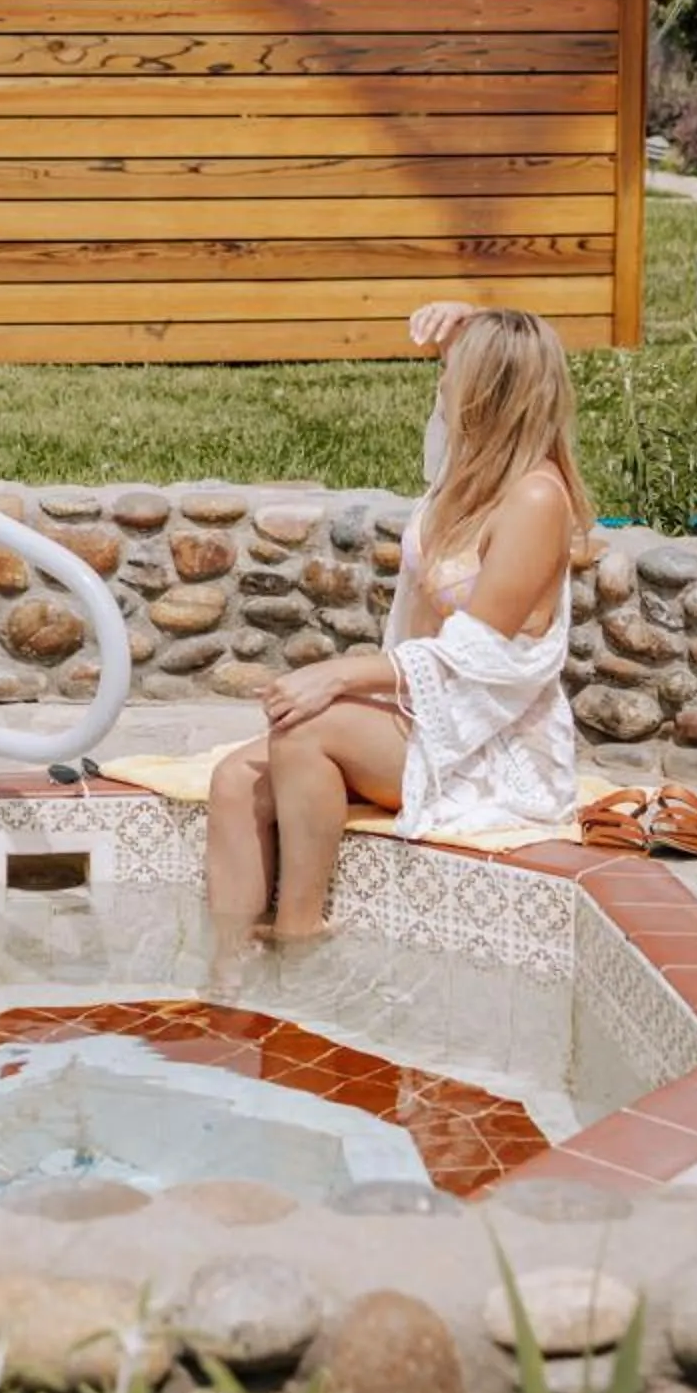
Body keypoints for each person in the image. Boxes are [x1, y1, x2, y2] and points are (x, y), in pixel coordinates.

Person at [204, 300, 589, 948]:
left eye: (453, 373)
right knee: (234, 780)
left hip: (485, 741)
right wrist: (460, 324)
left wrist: (338, 674)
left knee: (307, 729)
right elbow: (443, 422)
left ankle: (299, 936)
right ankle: (226, 978)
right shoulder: (469, 473)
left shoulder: (535, 499)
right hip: (422, 711)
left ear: (487, 394)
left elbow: (482, 646)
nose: (440, 385)